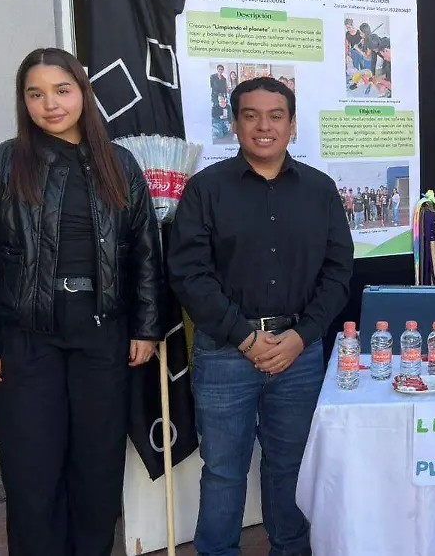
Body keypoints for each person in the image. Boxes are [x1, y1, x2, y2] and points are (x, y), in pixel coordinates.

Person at [0, 47, 162, 556]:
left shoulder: (120, 164)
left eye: (62, 90)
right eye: (36, 94)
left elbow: (145, 254)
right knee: (33, 474)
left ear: (83, 93)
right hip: (25, 342)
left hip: (101, 339)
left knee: (96, 470)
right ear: (23, 102)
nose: (50, 104)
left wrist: (146, 327)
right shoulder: (2, 164)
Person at [169, 76, 353, 556]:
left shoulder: (320, 190)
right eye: (251, 116)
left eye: (276, 116)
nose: (264, 126)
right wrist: (245, 339)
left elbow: (338, 275)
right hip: (225, 354)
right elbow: (190, 276)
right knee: (224, 471)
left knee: (290, 467)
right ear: (234, 124)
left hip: (300, 355)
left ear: (292, 125)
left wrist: (300, 337)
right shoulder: (205, 190)